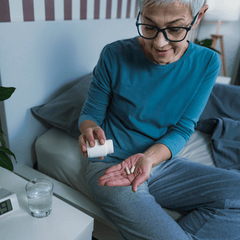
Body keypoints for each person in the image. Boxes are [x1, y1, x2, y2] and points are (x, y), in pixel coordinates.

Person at [78, 0, 240, 239]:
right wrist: (89, 129)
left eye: (175, 29)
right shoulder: (114, 54)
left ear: (199, 17)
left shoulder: (207, 62)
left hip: (161, 162)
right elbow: (91, 113)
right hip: (112, 167)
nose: (159, 43)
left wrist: (148, 159)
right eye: (149, 26)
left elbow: (184, 129)